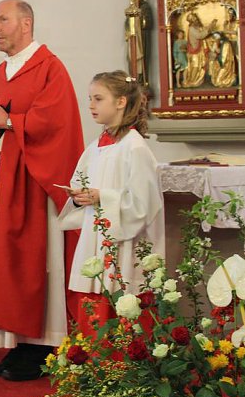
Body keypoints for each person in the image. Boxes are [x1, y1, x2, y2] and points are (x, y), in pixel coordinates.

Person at [0, 0, 84, 381]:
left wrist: (11, 120)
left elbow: (57, 122)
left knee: (31, 262)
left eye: (2, 20)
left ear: (26, 24)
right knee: (1, 264)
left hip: (32, 184)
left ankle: (43, 346)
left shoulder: (50, 67)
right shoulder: (0, 72)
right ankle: (13, 344)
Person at [58, 70, 165, 332]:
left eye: (98, 98)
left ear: (120, 102)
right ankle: (95, 363)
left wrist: (101, 197)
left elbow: (144, 205)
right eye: (90, 98)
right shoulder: (96, 146)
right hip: (97, 238)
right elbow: (81, 180)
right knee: (92, 304)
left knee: (120, 306)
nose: (90, 105)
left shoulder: (135, 147)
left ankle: (119, 366)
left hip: (124, 244)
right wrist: (80, 196)